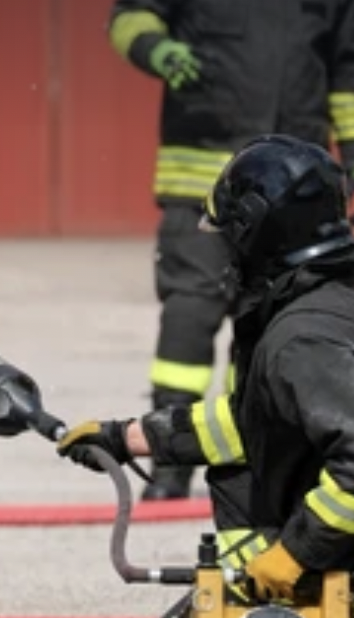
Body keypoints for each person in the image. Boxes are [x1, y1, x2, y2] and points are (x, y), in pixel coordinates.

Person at [57, 134, 354, 603]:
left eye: (228, 235)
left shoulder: (301, 339)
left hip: (326, 569)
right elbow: (256, 422)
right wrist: (129, 437)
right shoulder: (326, 301)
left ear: (255, 232)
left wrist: (296, 554)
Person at [108, 0, 354, 500]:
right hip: (202, 169)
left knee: (275, 321)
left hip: (290, 187)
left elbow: (347, 71)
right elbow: (131, 16)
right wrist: (157, 50)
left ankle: (261, 458)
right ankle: (170, 464)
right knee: (191, 309)